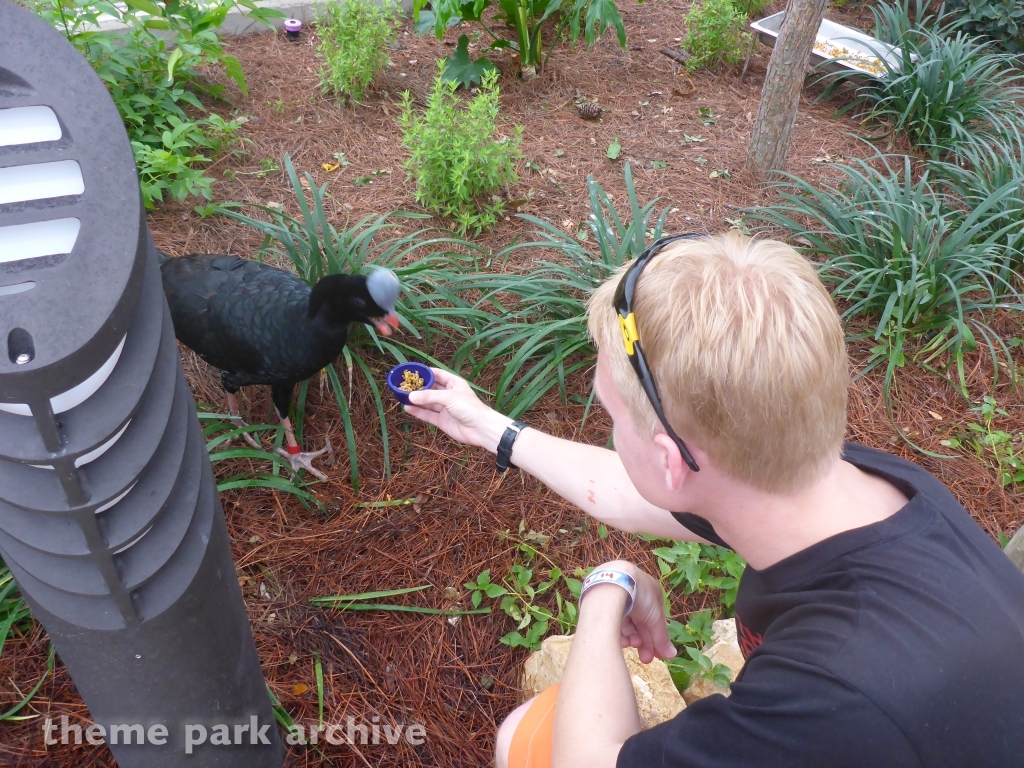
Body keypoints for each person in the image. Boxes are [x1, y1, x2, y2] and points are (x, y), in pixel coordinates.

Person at [404, 231, 1024, 768]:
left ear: (672, 461)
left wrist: (607, 587)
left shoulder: (830, 699)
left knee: (521, 741)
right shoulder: (865, 484)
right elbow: (626, 490)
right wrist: (487, 426)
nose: (611, 436)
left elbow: (587, 760)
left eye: (611, 418)